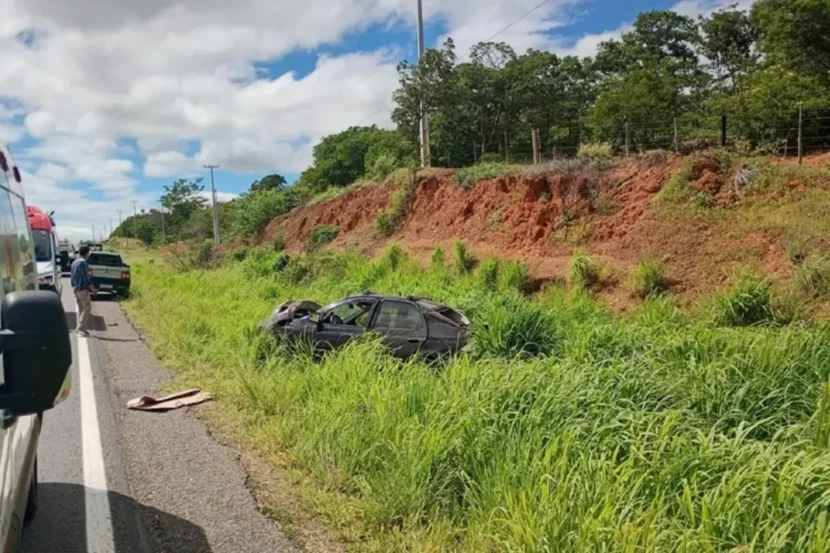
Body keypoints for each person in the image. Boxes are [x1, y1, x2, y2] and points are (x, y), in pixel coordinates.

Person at [71, 245, 96, 336]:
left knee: (81, 309)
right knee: (87, 307)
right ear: (86, 253)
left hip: (75, 288)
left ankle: (82, 328)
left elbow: (72, 276)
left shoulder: (74, 262)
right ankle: (80, 328)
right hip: (82, 288)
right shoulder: (83, 263)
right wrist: (92, 287)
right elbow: (86, 277)